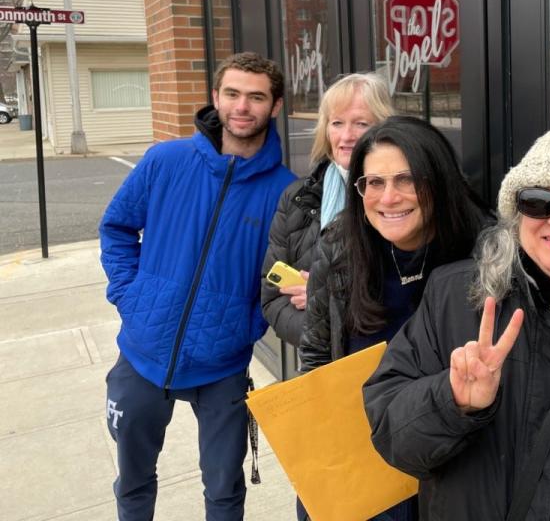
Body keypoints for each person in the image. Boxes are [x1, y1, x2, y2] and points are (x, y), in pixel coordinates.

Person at [364, 126, 550, 521]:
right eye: (538, 201)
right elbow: (391, 436)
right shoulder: (453, 296)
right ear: (516, 215)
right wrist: (452, 401)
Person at [99, 52, 296, 521]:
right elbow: (117, 228)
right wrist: (131, 296)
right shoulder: (164, 161)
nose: (242, 106)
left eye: (256, 96)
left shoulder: (285, 191)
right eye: (232, 94)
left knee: (225, 489)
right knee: (134, 479)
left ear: (277, 106)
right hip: (143, 353)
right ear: (215, 97)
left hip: (222, 365)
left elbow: (281, 277)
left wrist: (243, 325)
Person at [298, 115, 490, 520]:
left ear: (437, 181)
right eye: (375, 183)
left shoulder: (486, 257)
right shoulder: (339, 248)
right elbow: (316, 357)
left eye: (406, 180)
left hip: (451, 468)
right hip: (361, 466)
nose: (388, 198)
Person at [260, 73, 394, 348]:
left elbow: (411, 295)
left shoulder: (401, 199)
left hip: (388, 364)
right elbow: (273, 298)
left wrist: (325, 301)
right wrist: (321, 331)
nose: (347, 136)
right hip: (320, 366)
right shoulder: (297, 198)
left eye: (361, 123)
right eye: (337, 123)